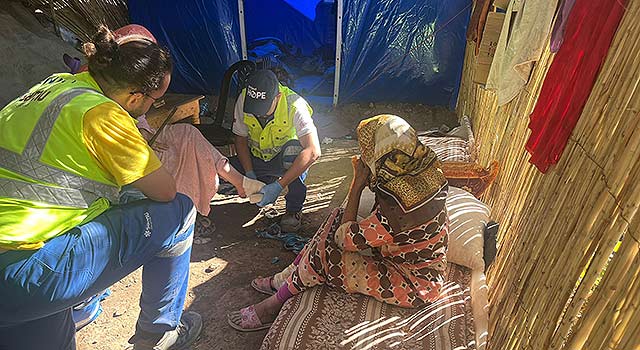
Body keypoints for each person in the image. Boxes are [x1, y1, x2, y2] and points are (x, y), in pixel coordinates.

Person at [0, 26, 199, 350]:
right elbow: (164, 191)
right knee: (180, 212)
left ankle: (79, 305)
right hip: (25, 268)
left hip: (13, 274)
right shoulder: (105, 115)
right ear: (135, 96)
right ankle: (158, 333)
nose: (151, 106)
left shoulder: (55, 85)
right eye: (154, 100)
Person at [228, 115, 450, 331]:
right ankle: (286, 277)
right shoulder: (421, 173)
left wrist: (357, 185)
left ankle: (273, 304)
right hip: (402, 257)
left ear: (382, 153)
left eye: (369, 151)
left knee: (328, 255)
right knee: (337, 216)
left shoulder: (400, 206)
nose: (364, 156)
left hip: (415, 284)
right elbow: (349, 228)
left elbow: (344, 241)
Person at [112, 24, 263, 216]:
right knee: (169, 162)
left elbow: (139, 119)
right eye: (154, 98)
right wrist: (140, 140)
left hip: (140, 134)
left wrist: (143, 132)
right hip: (122, 147)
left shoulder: (125, 83)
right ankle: (178, 211)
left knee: (187, 134)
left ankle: (237, 183)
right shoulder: (103, 103)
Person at [230, 69, 321, 232]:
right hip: (257, 159)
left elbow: (313, 151)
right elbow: (240, 139)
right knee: (220, 170)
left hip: (283, 161)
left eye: (263, 108)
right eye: (255, 107)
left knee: (295, 152)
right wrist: (249, 174)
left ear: (277, 97)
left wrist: (279, 186)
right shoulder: (243, 98)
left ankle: (293, 209)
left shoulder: (295, 104)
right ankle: (262, 182)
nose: (259, 114)